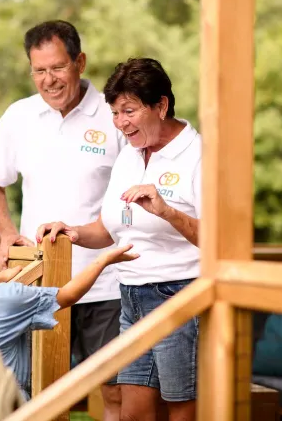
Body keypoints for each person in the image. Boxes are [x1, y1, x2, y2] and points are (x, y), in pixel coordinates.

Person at [36, 58, 201, 421]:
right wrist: (73, 232)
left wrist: (167, 211)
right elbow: (108, 229)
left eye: (129, 110)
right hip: (130, 297)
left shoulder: (197, 154)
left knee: (182, 412)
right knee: (133, 414)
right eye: (114, 112)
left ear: (161, 105)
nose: (121, 123)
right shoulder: (128, 155)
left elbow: (218, 240)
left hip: (179, 296)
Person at [0, 20, 127, 417]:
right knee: (34, 391)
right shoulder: (18, 116)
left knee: (115, 393)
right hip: (38, 285)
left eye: (58, 67)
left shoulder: (113, 115)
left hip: (104, 283)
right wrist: (7, 234)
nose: (49, 80)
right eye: (39, 70)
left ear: (80, 62)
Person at [0, 183, 138, 401]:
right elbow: (68, 295)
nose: (0, 232)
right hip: (9, 406)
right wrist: (104, 259)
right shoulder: (10, 298)